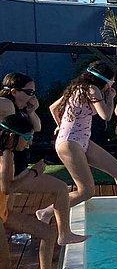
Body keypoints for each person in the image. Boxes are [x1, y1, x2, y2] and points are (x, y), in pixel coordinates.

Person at [48, 61, 117, 220]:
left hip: (81, 141)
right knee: (86, 191)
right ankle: (46, 212)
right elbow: (106, 115)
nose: (112, 85)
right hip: (70, 144)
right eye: (111, 81)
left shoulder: (78, 88)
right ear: (104, 80)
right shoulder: (92, 89)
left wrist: (61, 126)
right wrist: (110, 97)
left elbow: (53, 108)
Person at [0, 73, 86, 246]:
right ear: (14, 91)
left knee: (7, 212)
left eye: (34, 92)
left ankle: (14, 235)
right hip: (13, 169)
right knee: (60, 188)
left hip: (19, 167)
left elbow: (37, 127)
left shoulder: (20, 109)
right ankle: (64, 234)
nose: (33, 96)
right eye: (29, 92)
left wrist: (31, 110)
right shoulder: (6, 104)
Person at [0, 115, 77, 269]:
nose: (29, 142)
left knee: (48, 233)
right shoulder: (6, 155)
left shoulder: (9, 153)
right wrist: (33, 172)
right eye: (27, 137)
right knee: (4, 266)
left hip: (4, 212)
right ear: (12, 136)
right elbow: (7, 188)